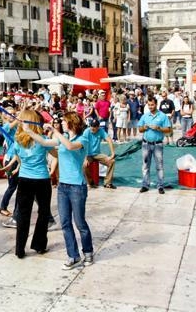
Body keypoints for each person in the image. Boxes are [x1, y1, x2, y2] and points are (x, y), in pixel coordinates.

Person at [24, 111, 94, 270]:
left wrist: (55, 132)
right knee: (65, 223)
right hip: (63, 187)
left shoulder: (82, 139)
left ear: (71, 123)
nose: (61, 123)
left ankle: (88, 252)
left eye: (63, 121)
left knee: (80, 223)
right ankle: (73, 256)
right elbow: (43, 141)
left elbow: (69, 146)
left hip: (77, 187)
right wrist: (28, 131)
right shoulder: (62, 138)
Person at [9, 109, 53, 258]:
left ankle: (19, 249)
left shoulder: (17, 141)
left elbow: (19, 160)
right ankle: (39, 245)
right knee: (43, 213)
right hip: (42, 179)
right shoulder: (42, 140)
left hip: (24, 180)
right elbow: (56, 154)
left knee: (23, 214)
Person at [137, 97, 172, 194]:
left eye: (152, 105)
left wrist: (159, 128)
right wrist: (144, 127)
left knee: (159, 166)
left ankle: (160, 186)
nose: (150, 107)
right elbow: (140, 129)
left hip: (158, 145)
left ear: (156, 104)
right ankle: (145, 185)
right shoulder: (145, 116)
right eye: (149, 105)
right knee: (145, 166)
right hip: (146, 144)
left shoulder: (163, 116)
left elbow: (168, 129)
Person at [82, 119, 116, 189]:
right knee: (84, 165)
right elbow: (84, 145)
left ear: (98, 127)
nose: (92, 128)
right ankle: (90, 182)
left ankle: (107, 183)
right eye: (91, 125)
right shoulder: (86, 131)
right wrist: (85, 159)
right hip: (87, 154)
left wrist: (112, 154)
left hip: (97, 154)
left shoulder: (101, 131)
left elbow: (109, 140)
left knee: (112, 161)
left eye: (94, 126)